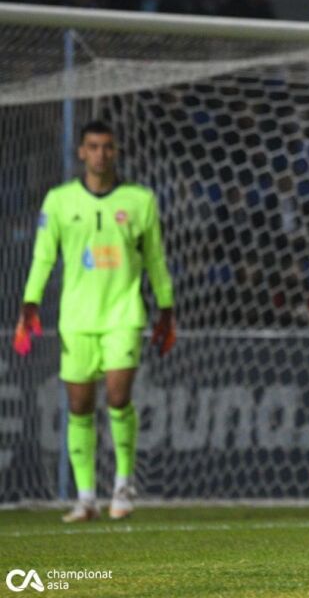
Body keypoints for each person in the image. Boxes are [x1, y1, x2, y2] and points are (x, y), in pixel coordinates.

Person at [15, 120, 175, 522]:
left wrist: (167, 308)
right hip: (77, 318)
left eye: (107, 146)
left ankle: (123, 485)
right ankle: (85, 498)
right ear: (82, 152)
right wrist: (30, 302)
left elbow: (155, 258)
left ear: (116, 151)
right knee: (79, 406)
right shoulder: (59, 200)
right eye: (93, 146)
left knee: (118, 398)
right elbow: (43, 256)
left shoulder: (140, 200)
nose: (100, 154)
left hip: (124, 314)